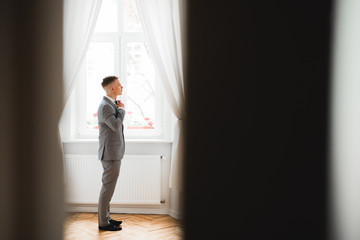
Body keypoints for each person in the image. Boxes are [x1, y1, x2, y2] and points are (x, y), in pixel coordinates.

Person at [97, 76, 125, 231]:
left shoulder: (109, 104)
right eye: (119, 85)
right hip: (110, 154)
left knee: (109, 188)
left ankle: (106, 218)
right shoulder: (106, 106)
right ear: (112, 88)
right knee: (107, 189)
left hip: (112, 152)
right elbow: (115, 126)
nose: (122, 87)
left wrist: (119, 109)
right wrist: (121, 110)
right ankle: (103, 223)